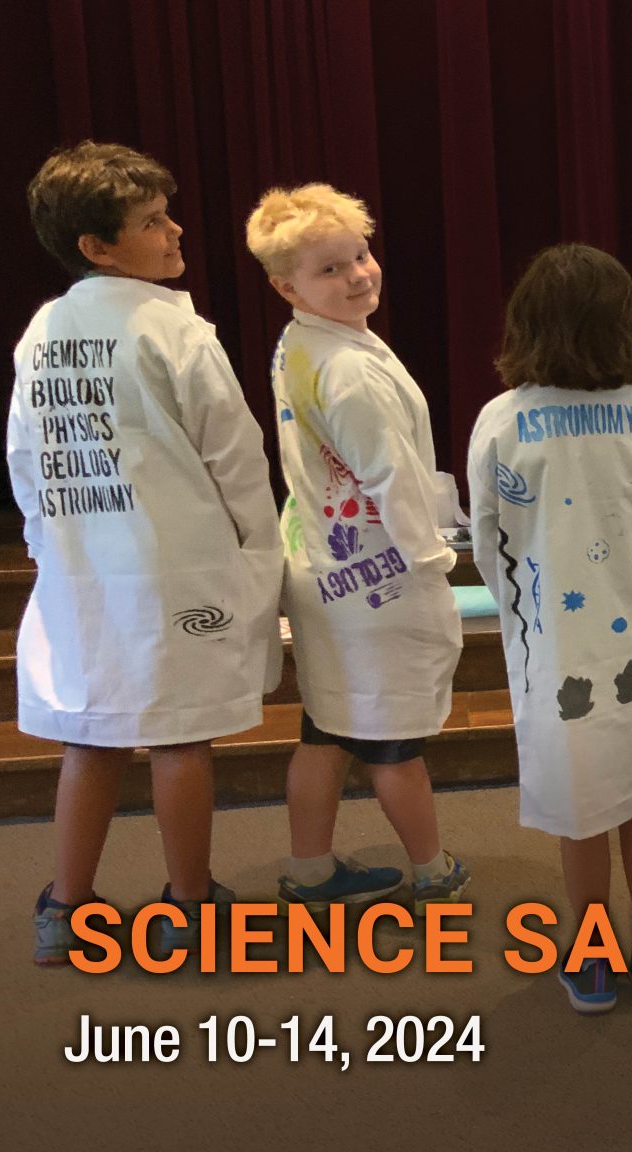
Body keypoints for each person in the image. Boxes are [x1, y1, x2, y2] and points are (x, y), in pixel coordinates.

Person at [17, 142, 281, 963]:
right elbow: (234, 454)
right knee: (178, 736)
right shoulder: (175, 330)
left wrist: (46, 544)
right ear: (98, 246)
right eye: (152, 221)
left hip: (82, 568)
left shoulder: (42, 330)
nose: (175, 230)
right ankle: (192, 907)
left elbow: (25, 455)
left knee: (92, 734)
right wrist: (259, 550)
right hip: (176, 567)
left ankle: (67, 909)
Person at [469, 244, 632, 1014]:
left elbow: (487, 538)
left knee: (579, 805)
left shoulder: (503, 422)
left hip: (550, 646)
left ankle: (593, 963)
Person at [244, 184, 467, 914]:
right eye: (330, 270)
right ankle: (433, 871)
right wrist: (432, 561)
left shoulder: (304, 343)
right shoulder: (348, 369)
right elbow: (391, 476)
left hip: (325, 566)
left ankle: (309, 872)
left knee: (328, 727)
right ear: (287, 286)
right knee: (393, 741)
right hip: (379, 578)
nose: (358, 276)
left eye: (361, 256)